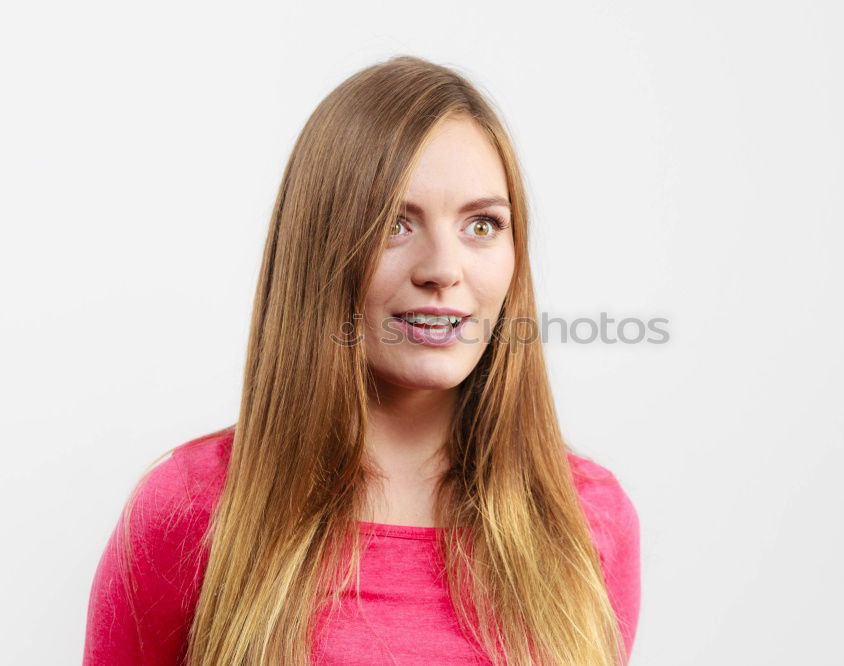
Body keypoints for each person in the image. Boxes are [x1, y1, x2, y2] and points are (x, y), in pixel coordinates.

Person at [83, 54, 640, 665]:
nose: (443, 270)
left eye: (482, 225)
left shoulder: (589, 518)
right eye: (395, 223)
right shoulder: (190, 509)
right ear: (319, 248)